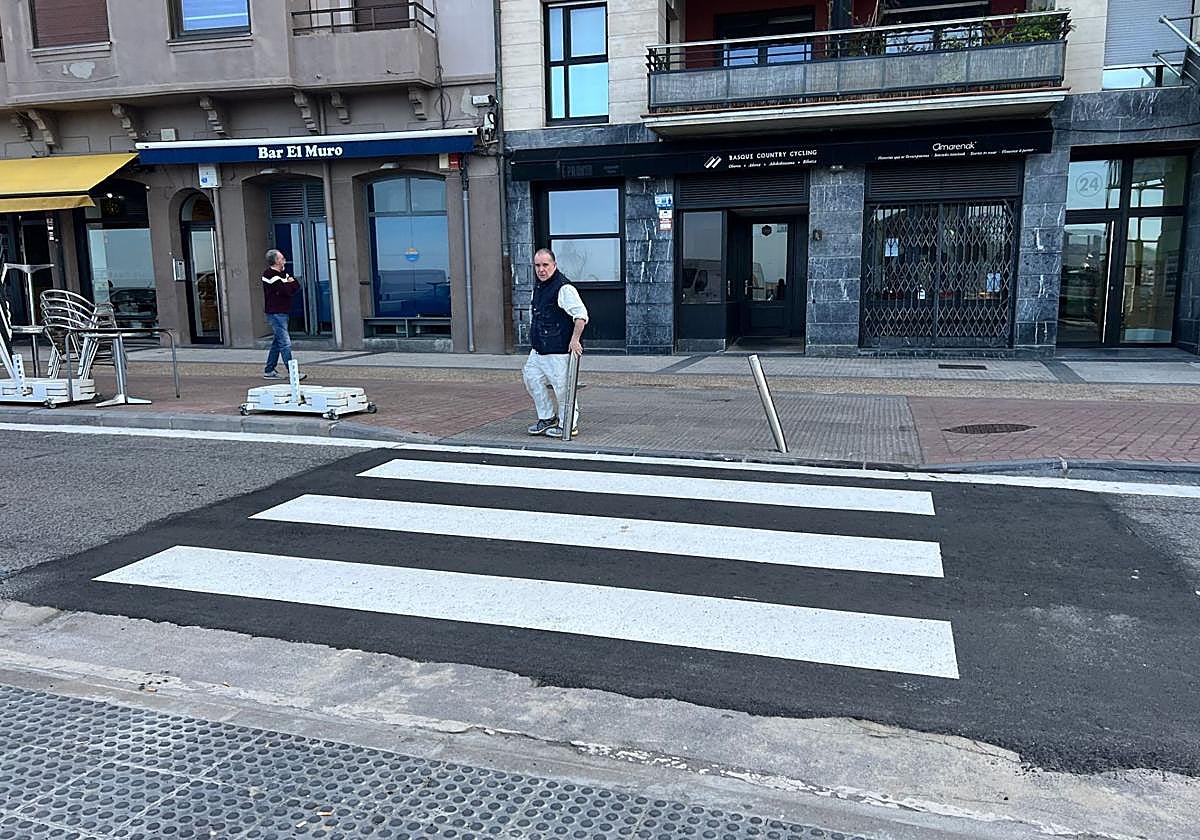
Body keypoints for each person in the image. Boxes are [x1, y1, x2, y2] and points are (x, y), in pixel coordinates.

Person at [523, 248, 587, 439]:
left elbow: (581, 316)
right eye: (538, 265)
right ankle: (547, 417)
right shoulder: (539, 287)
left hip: (558, 350)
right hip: (539, 350)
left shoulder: (564, 288)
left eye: (545, 265)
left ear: (554, 265)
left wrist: (575, 340)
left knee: (562, 389)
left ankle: (568, 424)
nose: (541, 269)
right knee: (532, 380)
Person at [261, 249, 306, 381]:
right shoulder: (269, 275)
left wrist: (290, 282)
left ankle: (269, 370)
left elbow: (296, 286)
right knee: (285, 342)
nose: (284, 260)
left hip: (283, 311)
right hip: (275, 312)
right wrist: (289, 282)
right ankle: (292, 372)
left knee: (277, 342)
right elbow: (285, 290)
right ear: (276, 261)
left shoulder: (283, 273)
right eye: (281, 258)